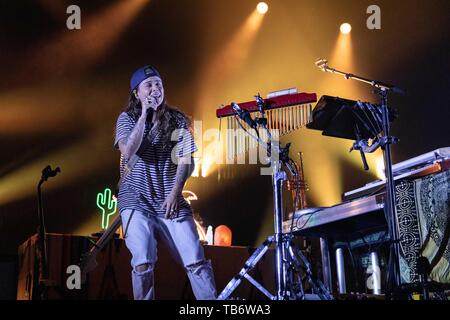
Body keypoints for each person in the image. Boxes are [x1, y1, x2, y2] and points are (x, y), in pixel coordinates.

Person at [114, 65, 217, 300]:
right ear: (136, 93)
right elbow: (128, 150)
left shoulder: (177, 119)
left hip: (169, 198)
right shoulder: (127, 118)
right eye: (148, 85)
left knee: (196, 260)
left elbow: (185, 159)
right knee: (142, 263)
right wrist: (144, 115)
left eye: (158, 84)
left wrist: (175, 193)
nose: (155, 89)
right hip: (135, 199)